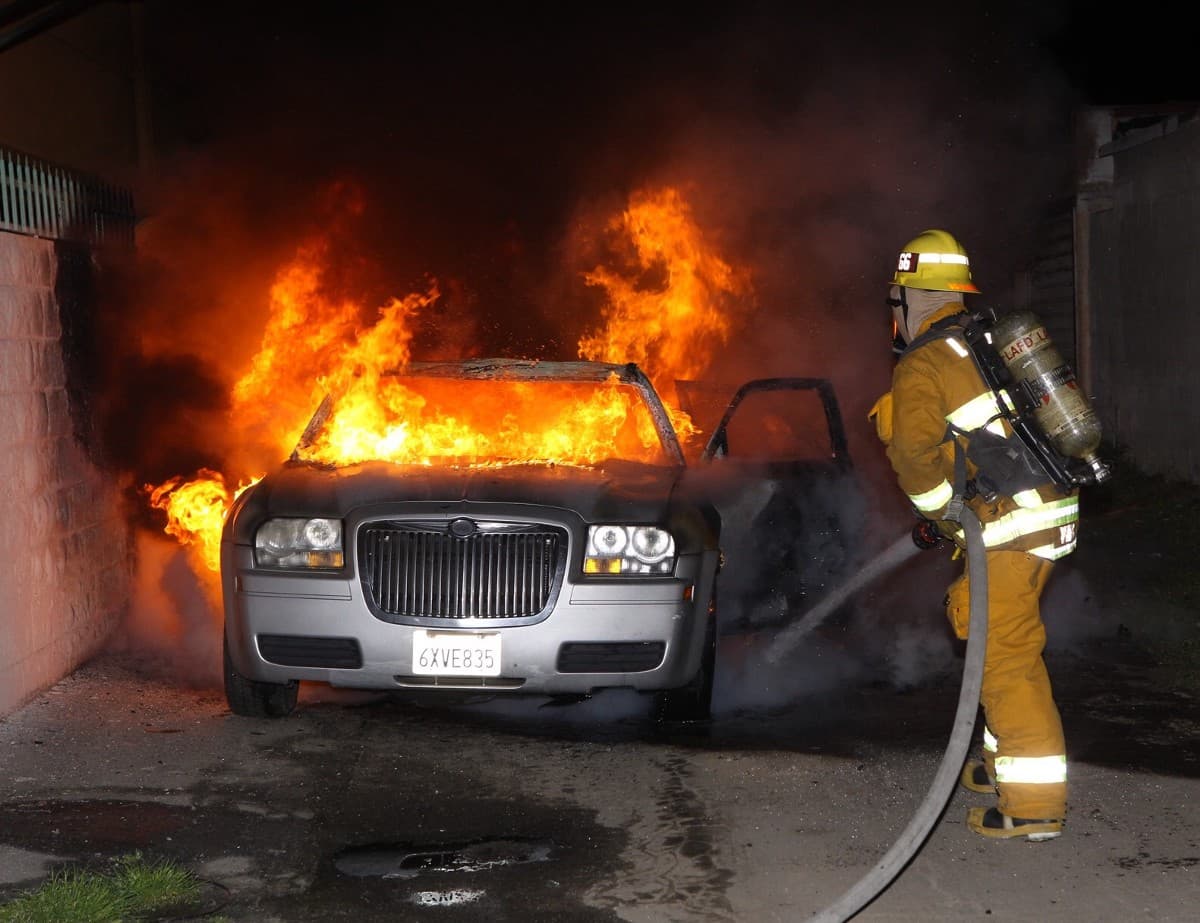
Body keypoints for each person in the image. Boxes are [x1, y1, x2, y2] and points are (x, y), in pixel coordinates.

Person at [869, 229, 1079, 841]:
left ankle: (1034, 808)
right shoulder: (984, 338)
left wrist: (941, 515)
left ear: (911, 300)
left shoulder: (926, 363)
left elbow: (914, 456)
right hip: (1047, 509)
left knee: (1005, 658)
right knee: (996, 640)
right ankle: (996, 765)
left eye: (895, 302)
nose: (892, 316)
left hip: (1011, 523)